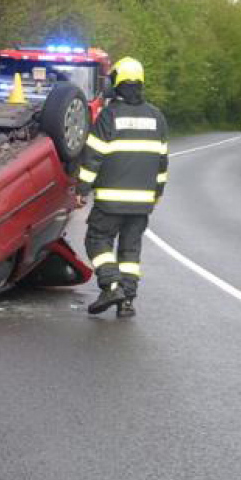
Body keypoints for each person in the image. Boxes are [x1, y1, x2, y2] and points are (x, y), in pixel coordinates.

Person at [76, 57, 169, 318]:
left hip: (110, 201)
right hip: (142, 203)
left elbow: (93, 156)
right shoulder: (157, 117)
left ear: (116, 82)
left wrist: (82, 189)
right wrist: (157, 193)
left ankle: (111, 286)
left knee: (97, 239)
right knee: (130, 251)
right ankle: (127, 302)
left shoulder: (109, 115)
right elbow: (162, 162)